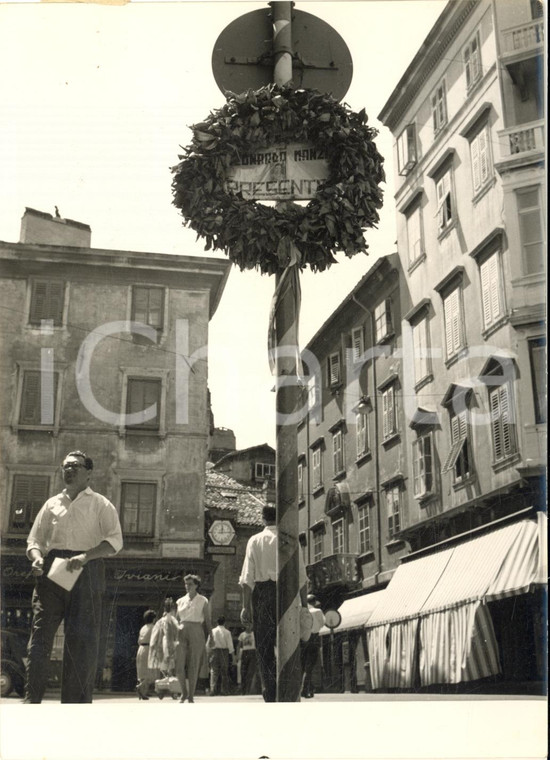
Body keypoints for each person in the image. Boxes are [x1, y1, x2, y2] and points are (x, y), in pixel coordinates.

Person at [24, 450, 123, 703]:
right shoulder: (51, 504)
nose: (68, 470)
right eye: (65, 466)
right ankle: (31, 700)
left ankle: (75, 706)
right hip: (53, 568)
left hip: (86, 570)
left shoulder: (101, 504)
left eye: (75, 466)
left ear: (88, 473)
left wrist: (86, 557)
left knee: (81, 643)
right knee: (40, 636)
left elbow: (114, 542)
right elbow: (34, 540)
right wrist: (36, 557)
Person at [239, 505, 308, 702]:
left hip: (262, 594)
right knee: (290, 641)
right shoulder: (290, 540)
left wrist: (246, 606)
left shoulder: (254, 541)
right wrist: (304, 605)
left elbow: (247, 578)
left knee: (264, 646)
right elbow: (301, 576)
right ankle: (290, 690)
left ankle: (269, 692)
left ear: (262, 519)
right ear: (279, 518)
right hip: (287, 592)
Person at [175, 573, 212, 703]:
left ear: (196, 585)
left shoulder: (203, 600)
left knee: (194, 664)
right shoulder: (180, 601)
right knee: (178, 664)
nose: (187, 586)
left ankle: (190, 695)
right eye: (186, 584)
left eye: (190, 584)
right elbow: (177, 619)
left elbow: (207, 619)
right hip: (181, 630)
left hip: (197, 629)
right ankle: (183, 692)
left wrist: (211, 636)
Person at [301, 594, 325, 698]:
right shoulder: (317, 611)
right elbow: (322, 623)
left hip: (303, 639)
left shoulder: (302, 611)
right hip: (314, 637)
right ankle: (305, 688)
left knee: (303, 665)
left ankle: (309, 688)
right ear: (314, 602)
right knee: (310, 666)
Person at [148, 597, 179, 676]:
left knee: (165, 663)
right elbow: (171, 632)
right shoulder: (171, 620)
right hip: (168, 641)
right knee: (169, 661)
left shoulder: (161, 620)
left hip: (163, 641)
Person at [207, 615, 234, 696]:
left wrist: (208, 654)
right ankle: (224, 690)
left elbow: (209, 643)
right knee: (224, 672)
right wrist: (233, 655)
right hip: (224, 652)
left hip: (214, 651)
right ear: (224, 622)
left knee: (214, 671)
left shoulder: (212, 631)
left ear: (217, 622)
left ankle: (212, 690)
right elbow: (230, 645)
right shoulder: (227, 632)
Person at [135, 609, 158, 700]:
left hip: (141, 649)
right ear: (153, 619)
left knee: (142, 672)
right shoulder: (154, 627)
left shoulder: (143, 627)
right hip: (149, 649)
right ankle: (141, 687)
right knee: (151, 673)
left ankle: (143, 693)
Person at [237, 622, 258, 695]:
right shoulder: (242, 635)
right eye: (247, 625)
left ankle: (248, 690)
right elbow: (239, 645)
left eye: (250, 624)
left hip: (252, 652)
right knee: (243, 672)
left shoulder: (254, 634)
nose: (248, 626)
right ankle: (243, 690)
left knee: (250, 672)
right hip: (245, 652)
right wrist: (237, 655)